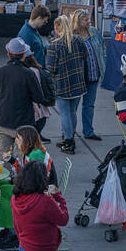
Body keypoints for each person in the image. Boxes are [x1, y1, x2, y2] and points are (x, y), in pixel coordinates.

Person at [0, 37, 44, 157]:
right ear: (24, 55)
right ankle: (22, 175)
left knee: (5, 157)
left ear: (8, 54)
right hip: (24, 124)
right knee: (23, 158)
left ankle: (7, 176)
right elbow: (39, 98)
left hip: (4, 121)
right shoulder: (28, 74)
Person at [11, 160, 68, 251]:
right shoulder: (45, 201)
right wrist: (59, 197)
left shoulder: (15, 198)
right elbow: (63, 219)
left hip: (24, 247)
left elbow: (16, 225)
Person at [46, 16, 87, 155]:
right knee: (72, 113)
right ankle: (69, 138)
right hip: (78, 83)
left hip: (62, 84)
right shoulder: (79, 40)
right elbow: (84, 56)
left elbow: (50, 68)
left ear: (57, 28)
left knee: (65, 114)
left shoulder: (54, 45)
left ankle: (69, 141)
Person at [71, 9, 105, 141]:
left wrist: (104, 68)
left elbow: (102, 49)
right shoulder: (72, 36)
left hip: (93, 75)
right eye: (86, 20)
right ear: (78, 22)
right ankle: (69, 132)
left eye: (89, 19)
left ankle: (88, 131)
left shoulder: (94, 32)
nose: (89, 21)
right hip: (79, 77)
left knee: (89, 105)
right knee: (73, 106)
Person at [22, 46, 54, 142]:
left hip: (32, 100)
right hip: (37, 100)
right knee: (41, 119)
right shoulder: (35, 70)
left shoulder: (27, 71)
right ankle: (36, 136)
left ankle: (36, 136)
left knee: (38, 119)